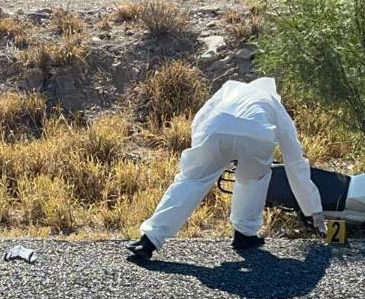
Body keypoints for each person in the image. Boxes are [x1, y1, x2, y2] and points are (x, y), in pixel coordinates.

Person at [127, 76, 327, 261]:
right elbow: (295, 162)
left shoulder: (230, 89)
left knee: (191, 180)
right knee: (253, 181)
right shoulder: (273, 104)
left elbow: (201, 120)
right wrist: (312, 211)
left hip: (215, 130)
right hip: (257, 136)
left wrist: (201, 159)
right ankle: (244, 235)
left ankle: (149, 240)